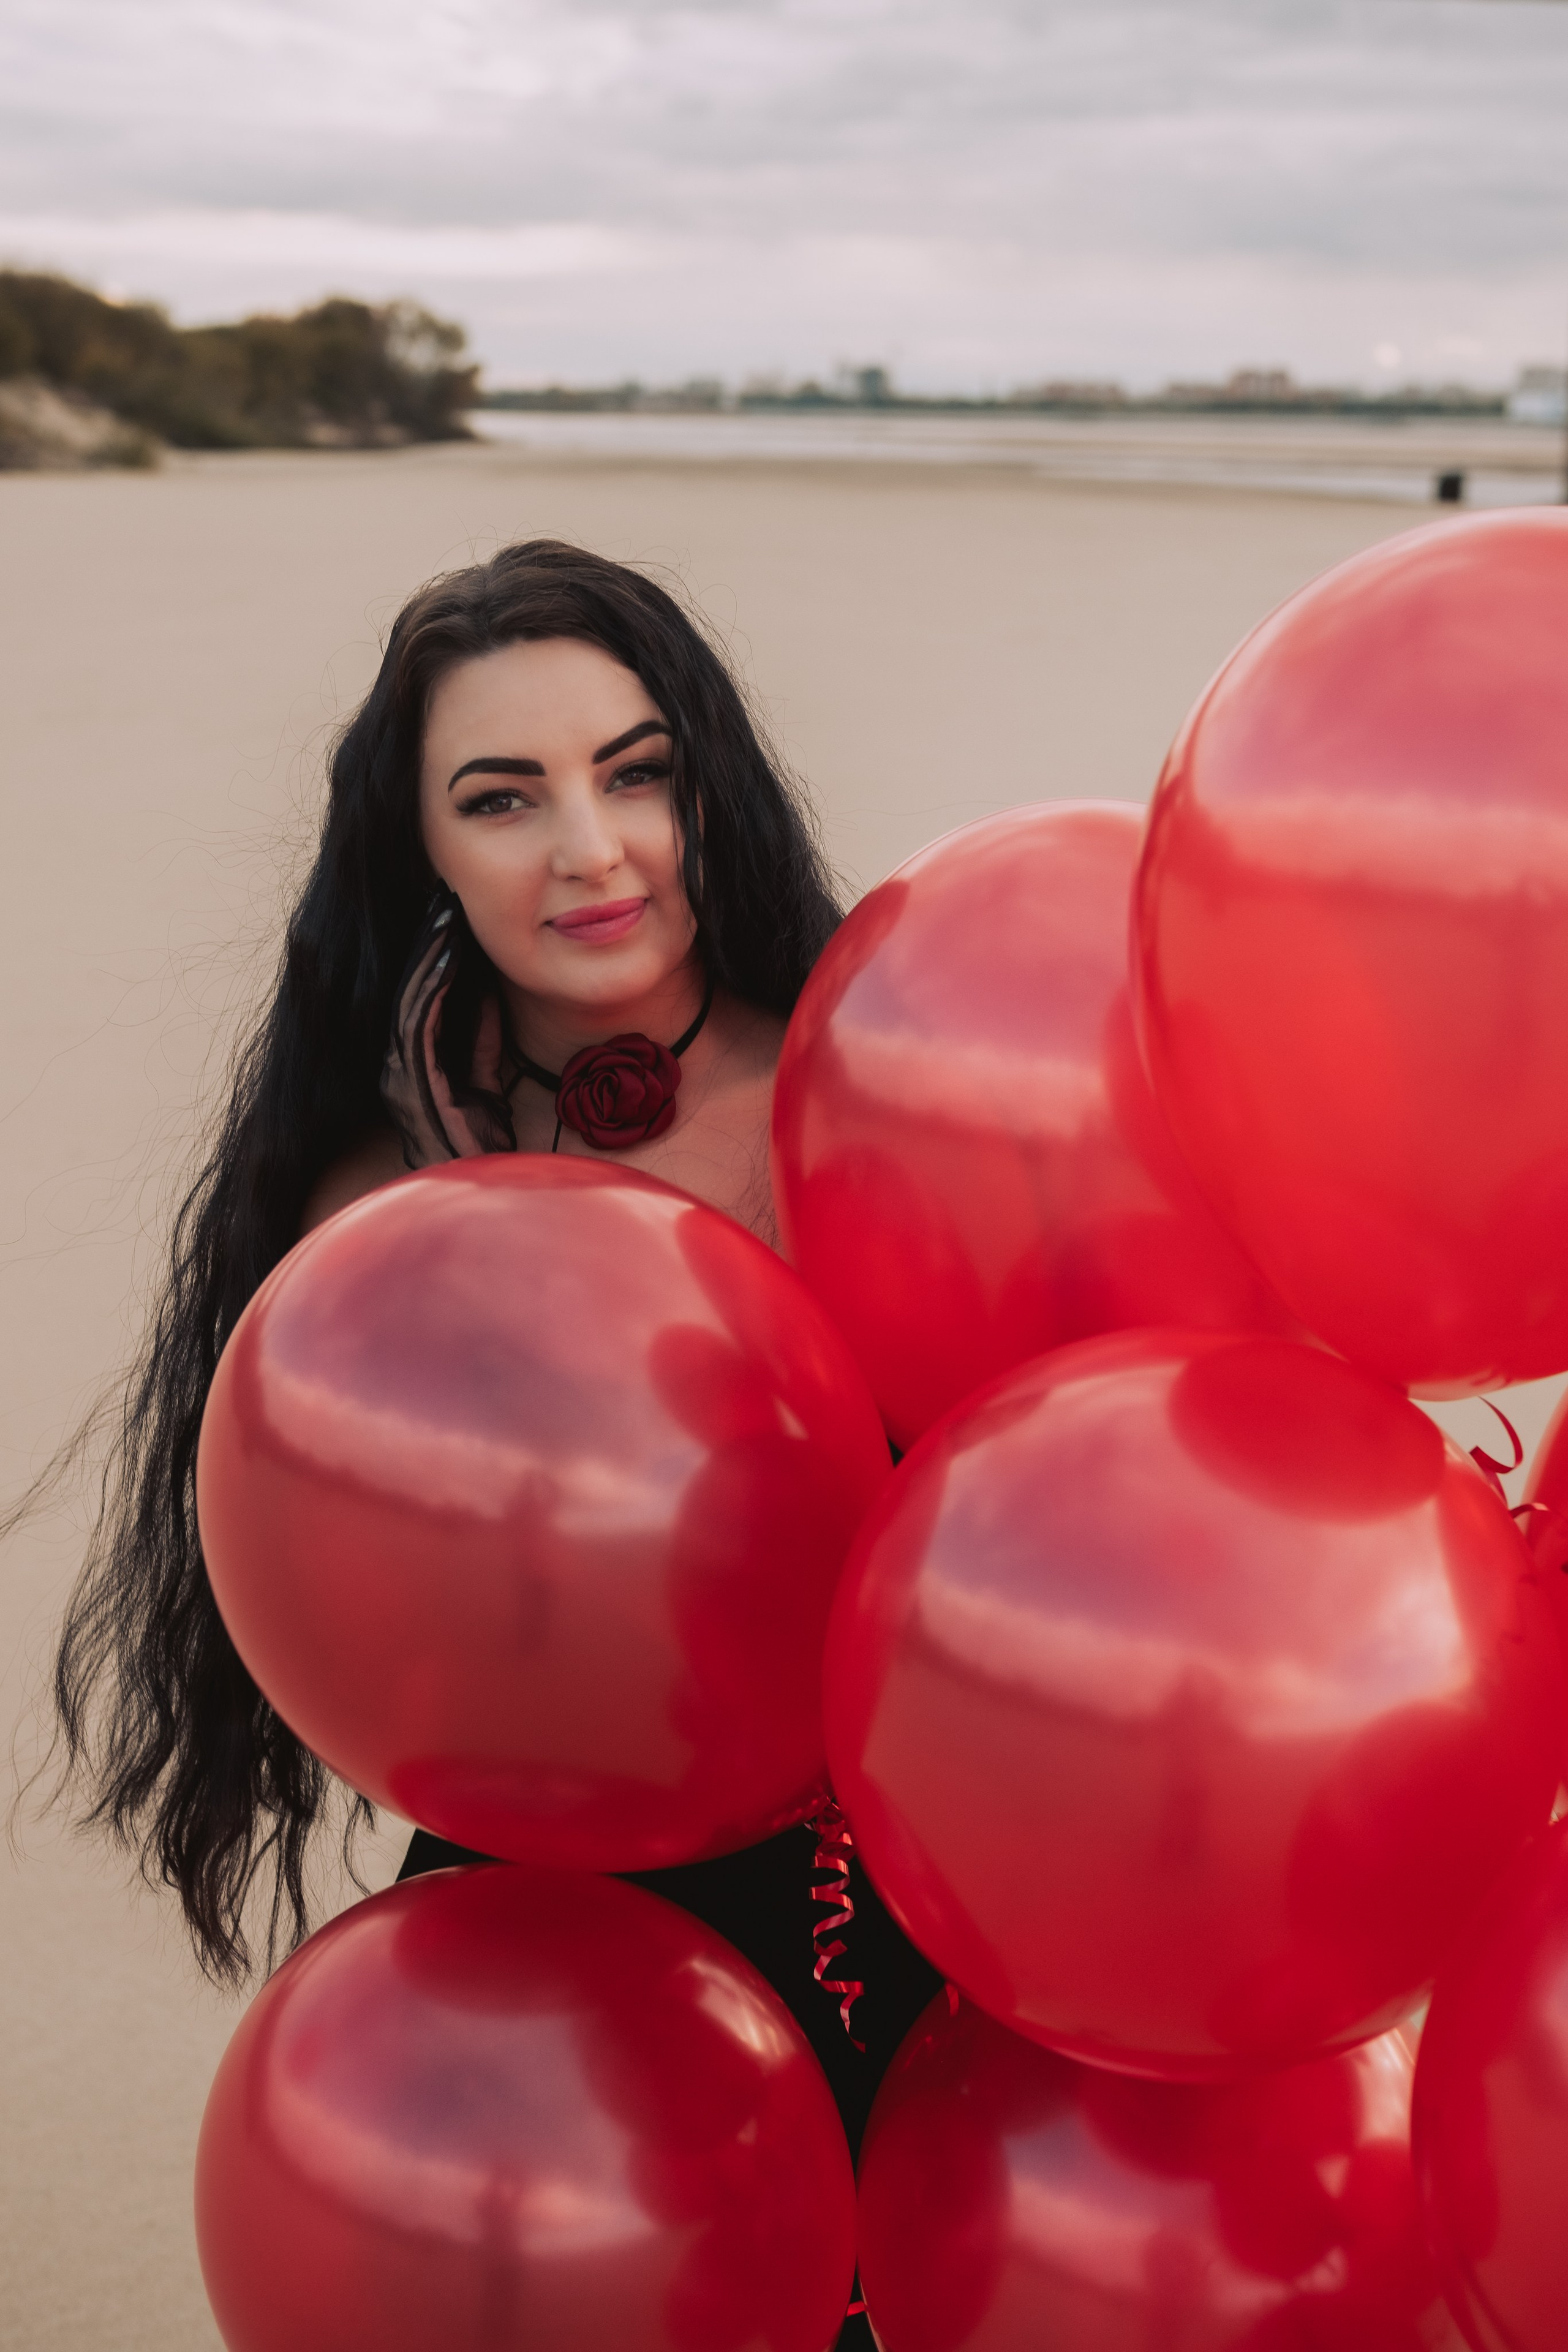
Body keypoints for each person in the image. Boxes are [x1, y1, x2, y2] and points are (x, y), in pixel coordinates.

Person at [51, 541, 941, 2223]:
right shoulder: (373, 1211)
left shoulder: (873, 1083)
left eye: (638, 775)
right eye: (503, 799)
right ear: (425, 850)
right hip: (564, 1915)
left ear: (710, 789)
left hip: (924, 1869)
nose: (592, 852)